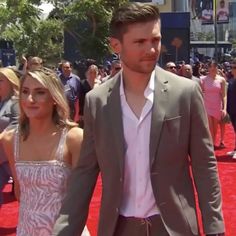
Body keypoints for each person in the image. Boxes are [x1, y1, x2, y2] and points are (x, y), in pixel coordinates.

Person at [53, 3, 225, 236]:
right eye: (140, 42)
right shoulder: (97, 102)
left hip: (174, 227)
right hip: (119, 228)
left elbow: (205, 165)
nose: (152, 49)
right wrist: (65, 230)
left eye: (155, 40)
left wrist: (215, 228)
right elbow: (84, 172)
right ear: (116, 45)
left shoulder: (185, 92)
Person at [0, 68, 90, 236]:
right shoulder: (10, 140)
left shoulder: (74, 138)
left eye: (40, 92)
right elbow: (20, 192)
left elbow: (80, 200)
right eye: (25, 92)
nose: (30, 99)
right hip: (27, 230)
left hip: (67, 232)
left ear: (54, 98)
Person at [0, 67, 20, 207]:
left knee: (27, 193)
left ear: (11, 82)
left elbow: (16, 126)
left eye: (0, 80)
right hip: (2, 157)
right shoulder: (1, 102)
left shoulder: (15, 102)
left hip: (14, 157)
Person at [200, 60, 227, 147]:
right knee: (210, 127)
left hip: (217, 106)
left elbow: (224, 96)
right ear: (208, 68)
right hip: (206, 105)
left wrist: (224, 108)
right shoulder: (203, 79)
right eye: (211, 67)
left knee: (215, 128)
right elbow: (200, 93)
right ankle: (211, 145)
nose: (213, 68)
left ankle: (213, 143)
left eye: (214, 66)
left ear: (217, 68)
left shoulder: (221, 80)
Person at [226, 59, 236, 158]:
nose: (232, 69)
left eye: (234, 67)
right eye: (231, 67)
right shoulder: (231, 80)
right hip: (232, 110)